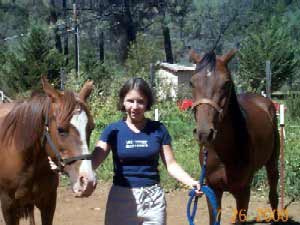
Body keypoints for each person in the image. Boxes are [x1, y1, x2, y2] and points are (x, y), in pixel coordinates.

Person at [90, 77, 202, 225]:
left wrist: (191, 182)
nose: (135, 107)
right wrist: (66, 166)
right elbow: (92, 163)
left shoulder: (158, 129)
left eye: (140, 101)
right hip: (122, 197)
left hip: (153, 200)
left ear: (147, 103)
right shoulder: (112, 130)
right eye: (130, 101)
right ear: (123, 101)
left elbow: (171, 164)